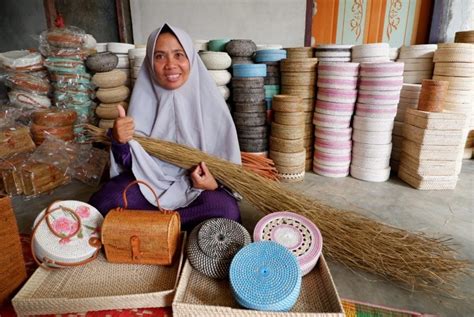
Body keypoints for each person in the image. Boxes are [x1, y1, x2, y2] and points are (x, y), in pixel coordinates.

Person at [89, 23, 241, 230]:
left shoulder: (213, 106)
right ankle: (171, 228)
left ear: (191, 59)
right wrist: (120, 141)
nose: (170, 64)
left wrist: (213, 184)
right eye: (159, 56)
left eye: (179, 55)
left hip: (196, 189)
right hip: (148, 185)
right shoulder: (142, 102)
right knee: (106, 202)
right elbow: (129, 162)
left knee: (226, 212)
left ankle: (152, 227)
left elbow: (229, 168)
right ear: (150, 63)